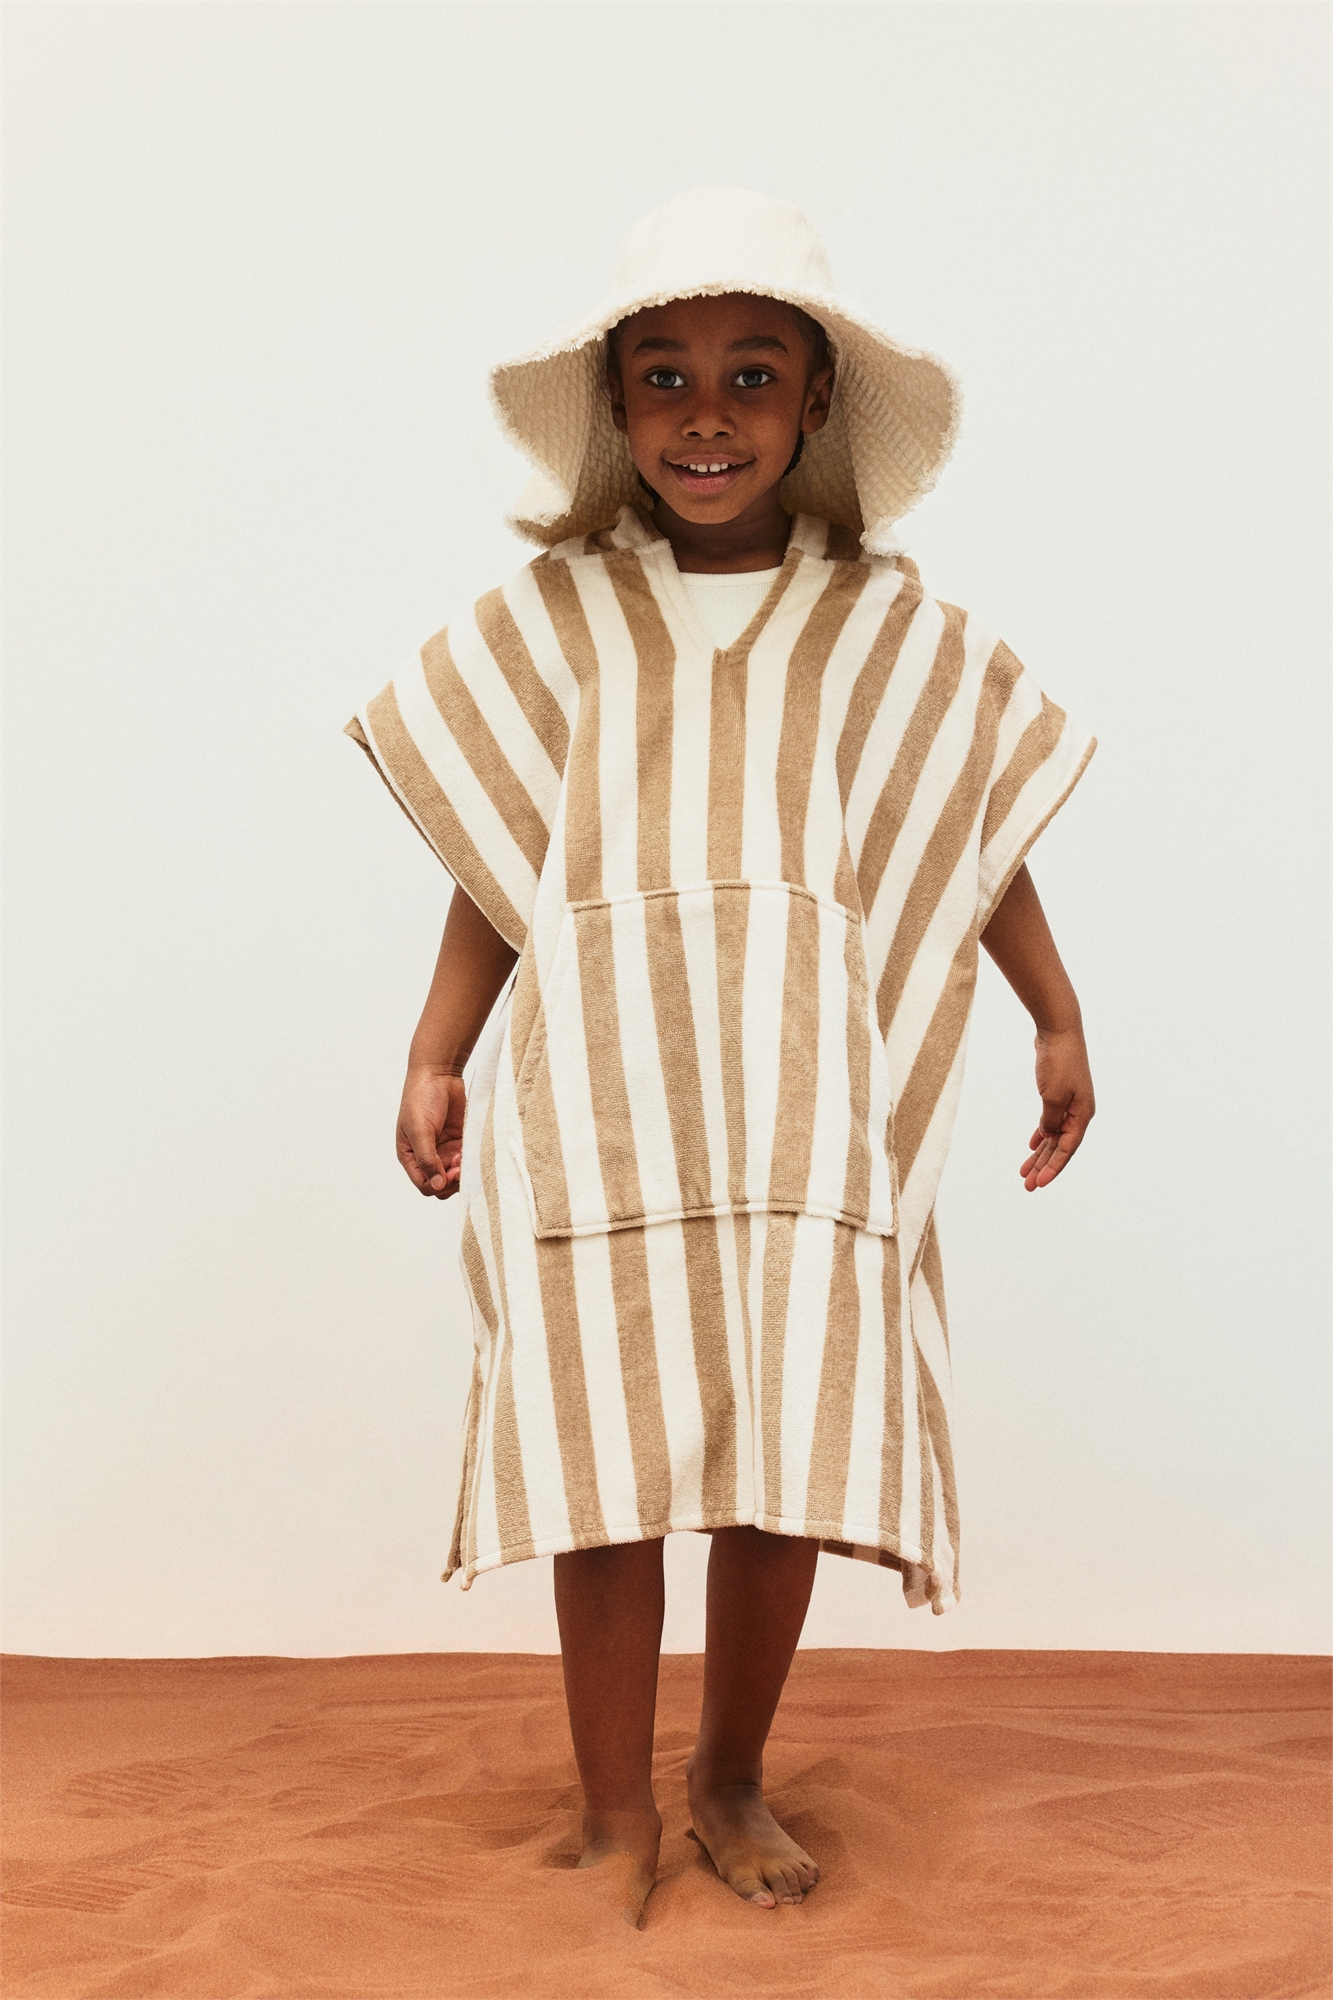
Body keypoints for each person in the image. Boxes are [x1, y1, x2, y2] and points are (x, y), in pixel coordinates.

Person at [347, 188, 1096, 1926]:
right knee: (603, 1454)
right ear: (614, 406)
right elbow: (502, 855)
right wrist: (438, 1047)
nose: (707, 413)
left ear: (814, 401)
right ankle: (615, 1808)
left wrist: (1053, 1010)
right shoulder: (560, 619)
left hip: (809, 1114)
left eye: (752, 374)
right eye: (664, 376)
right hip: (602, 1104)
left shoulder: (887, 630)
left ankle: (729, 1774)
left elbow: (967, 830)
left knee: (783, 1453)